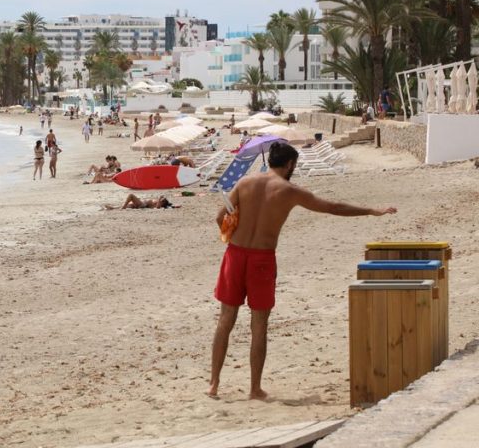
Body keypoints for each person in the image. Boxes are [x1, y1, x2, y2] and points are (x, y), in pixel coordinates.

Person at [208, 142, 397, 401]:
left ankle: (214, 384)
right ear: (290, 164)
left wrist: (234, 231)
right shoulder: (289, 191)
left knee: (225, 319)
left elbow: (220, 217)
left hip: (235, 254)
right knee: (259, 325)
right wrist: (371, 211)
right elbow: (332, 207)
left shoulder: (245, 182)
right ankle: (254, 389)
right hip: (262, 259)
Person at [102, 194, 172, 210]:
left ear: (163, 202)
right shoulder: (159, 202)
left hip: (142, 205)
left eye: (162, 199)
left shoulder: (159, 204)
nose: (161, 198)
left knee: (131, 196)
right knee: (129, 205)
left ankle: (122, 208)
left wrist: (159, 200)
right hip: (142, 203)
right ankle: (113, 208)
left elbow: (157, 207)